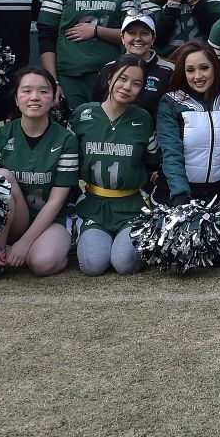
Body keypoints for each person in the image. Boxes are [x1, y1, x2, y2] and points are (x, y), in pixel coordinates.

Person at [0, 67, 79, 280]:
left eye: (43, 91)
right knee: (1, 176)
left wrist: (25, 243)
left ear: (53, 98)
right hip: (14, 220)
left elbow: (56, 201)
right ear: (16, 99)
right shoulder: (1, 135)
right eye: (27, 91)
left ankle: (61, 244)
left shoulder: (66, 139)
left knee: (42, 263)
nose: (35, 97)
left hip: (51, 219)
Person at [70, 55, 161, 276]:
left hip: (131, 205)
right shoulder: (83, 114)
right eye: (122, 78)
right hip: (94, 202)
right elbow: (69, 162)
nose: (127, 86)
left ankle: (131, 242)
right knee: (93, 266)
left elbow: (153, 163)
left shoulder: (143, 119)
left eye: (136, 83)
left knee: (123, 263)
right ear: (110, 79)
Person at [154, 42, 220, 212]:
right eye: (190, 70)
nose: (197, 76)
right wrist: (181, 197)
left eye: (204, 68)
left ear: (215, 68)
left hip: (216, 195)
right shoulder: (171, 101)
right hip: (176, 195)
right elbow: (171, 152)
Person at [92, 12, 175, 116]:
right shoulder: (109, 68)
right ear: (122, 37)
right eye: (132, 33)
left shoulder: (169, 70)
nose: (138, 38)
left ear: (153, 38)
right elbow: (97, 107)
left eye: (144, 33)